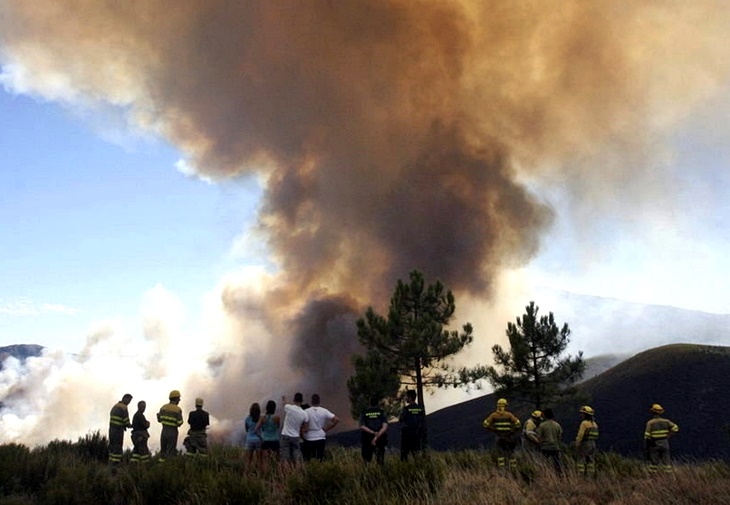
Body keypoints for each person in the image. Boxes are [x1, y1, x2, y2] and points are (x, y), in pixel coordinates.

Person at [482, 398, 521, 470]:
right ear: (505, 406)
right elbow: (518, 424)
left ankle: (502, 469)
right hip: (508, 437)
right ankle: (513, 469)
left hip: (499, 437)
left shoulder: (493, 415)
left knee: (500, 454)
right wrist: (512, 431)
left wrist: (493, 430)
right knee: (511, 453)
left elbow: (485, 424)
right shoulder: (509, 415)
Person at [302, 393, 340, 462]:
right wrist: (326, 428)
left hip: (309, 438)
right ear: (319, 401)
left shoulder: (306, 411)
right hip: (320, 437)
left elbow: (301, 422)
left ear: (311, 401)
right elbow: (336, 420)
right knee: (319, 459)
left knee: (308, 459)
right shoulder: (324, 411)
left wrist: (302, 430)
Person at [644, 403, 679, 473]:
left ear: (652, 412)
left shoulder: (650, 423)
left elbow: (647, 436)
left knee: (654, 463)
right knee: (666, 462)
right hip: (665, 443)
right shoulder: (666, 422)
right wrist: (669, 435)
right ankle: (668, 476)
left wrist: (647, 446)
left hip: (654, 444)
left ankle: (653, 476)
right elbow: (676, 428)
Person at [280, 393, 309, 465]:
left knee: (285, 458)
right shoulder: (304, 414)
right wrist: (301, 431)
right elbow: (305, 428)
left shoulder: (289, 408)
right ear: (302, 401)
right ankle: (297, 474)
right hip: (296, 436)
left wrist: (283, 398)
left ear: (294, 400)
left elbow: (284, 403)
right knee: (297, 458)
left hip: (285, 435)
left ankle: (286, 475)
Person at [359, 396, 388, 465]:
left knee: (366, 460)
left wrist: (373, 433)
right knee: (380, 459)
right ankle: (380, 473)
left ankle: (367, 473)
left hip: (367, 438)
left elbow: (362, 426)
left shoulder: (364, 412)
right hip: (380, 438)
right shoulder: (382, 412)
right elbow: (385, 426)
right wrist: (378, 435)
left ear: (370, 403)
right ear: (378, 403)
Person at [157, 389, 184, 460]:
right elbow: (179, 423)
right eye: (179, 398)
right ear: (176, 399)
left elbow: (159, 419)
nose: (179, 400)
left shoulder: (163, 407)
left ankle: (161, 466)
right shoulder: (177, 409)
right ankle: (169, 466)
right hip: (172, 432)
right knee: (171, 451)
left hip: (164, 431)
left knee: (163, 451)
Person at [399, 390, 425, 461]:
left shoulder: (406, 409)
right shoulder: (420, 409)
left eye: (407, 397)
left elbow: (401, 419)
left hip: (407, 434)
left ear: (410, 397)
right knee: (416, 454)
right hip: (417, 434)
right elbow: (421, 421)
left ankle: (405, 469)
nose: (406, 398)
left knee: (404, 454)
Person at [536, 407, 563, 473]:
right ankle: (559, 475)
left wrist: (539, 444)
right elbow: (560, 436)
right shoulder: (557, 425)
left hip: (545, 447)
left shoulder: (542, 425)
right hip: (555, 447)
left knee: (544, 463)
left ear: (545, 415)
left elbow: (539, 437)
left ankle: (545, 474)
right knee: (557, 463)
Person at [108, 393, 133, 465]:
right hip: (118, 431)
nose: (129, 403)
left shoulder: (115, 406)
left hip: (111, 430)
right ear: (125, 399)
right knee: (118, 447)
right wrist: (131, 426)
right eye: (129, 401)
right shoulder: (124, 407)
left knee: (112, 447)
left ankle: (111, 463)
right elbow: (126, 421)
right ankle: (116, 463)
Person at [575, 405, 599, 477]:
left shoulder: (584, 423)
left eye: (582, 413)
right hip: (593, 444)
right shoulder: (594, 424)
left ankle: (580, 475)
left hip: (585, 443)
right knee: (591, 461)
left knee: (581, 460)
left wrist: (577, 443)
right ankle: (590, 476)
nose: (581, 415)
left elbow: (580, 435)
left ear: (585, 414)